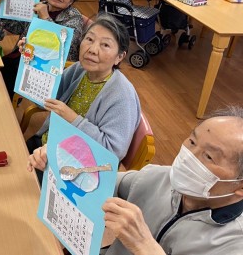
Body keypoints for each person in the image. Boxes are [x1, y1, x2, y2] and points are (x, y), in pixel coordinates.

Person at [28, 106, 243, 255]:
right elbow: (104, 182)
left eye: (209, 156)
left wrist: (145, 246)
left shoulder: (234, 244)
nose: (189, 157)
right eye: (192, 141)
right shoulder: (160, 177)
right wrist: (61, 159)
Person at [25, 13, 140, 173]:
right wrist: (32, 61)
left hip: (75, 168)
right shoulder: (79, 69)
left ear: (119, 57)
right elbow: (43, 99)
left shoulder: (123, 96)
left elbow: (112, 152)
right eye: (89, 39)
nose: (92, 50)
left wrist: (73, 119)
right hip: (47, 146)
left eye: (105, 45)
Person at [0, 0, 84, 95]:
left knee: (1, 87)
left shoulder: (75, 18)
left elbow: (64, 48)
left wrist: (45, 17)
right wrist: (4, 6)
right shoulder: (40, 5)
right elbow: (16, 27)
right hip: (24, 56)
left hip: (47, 69)